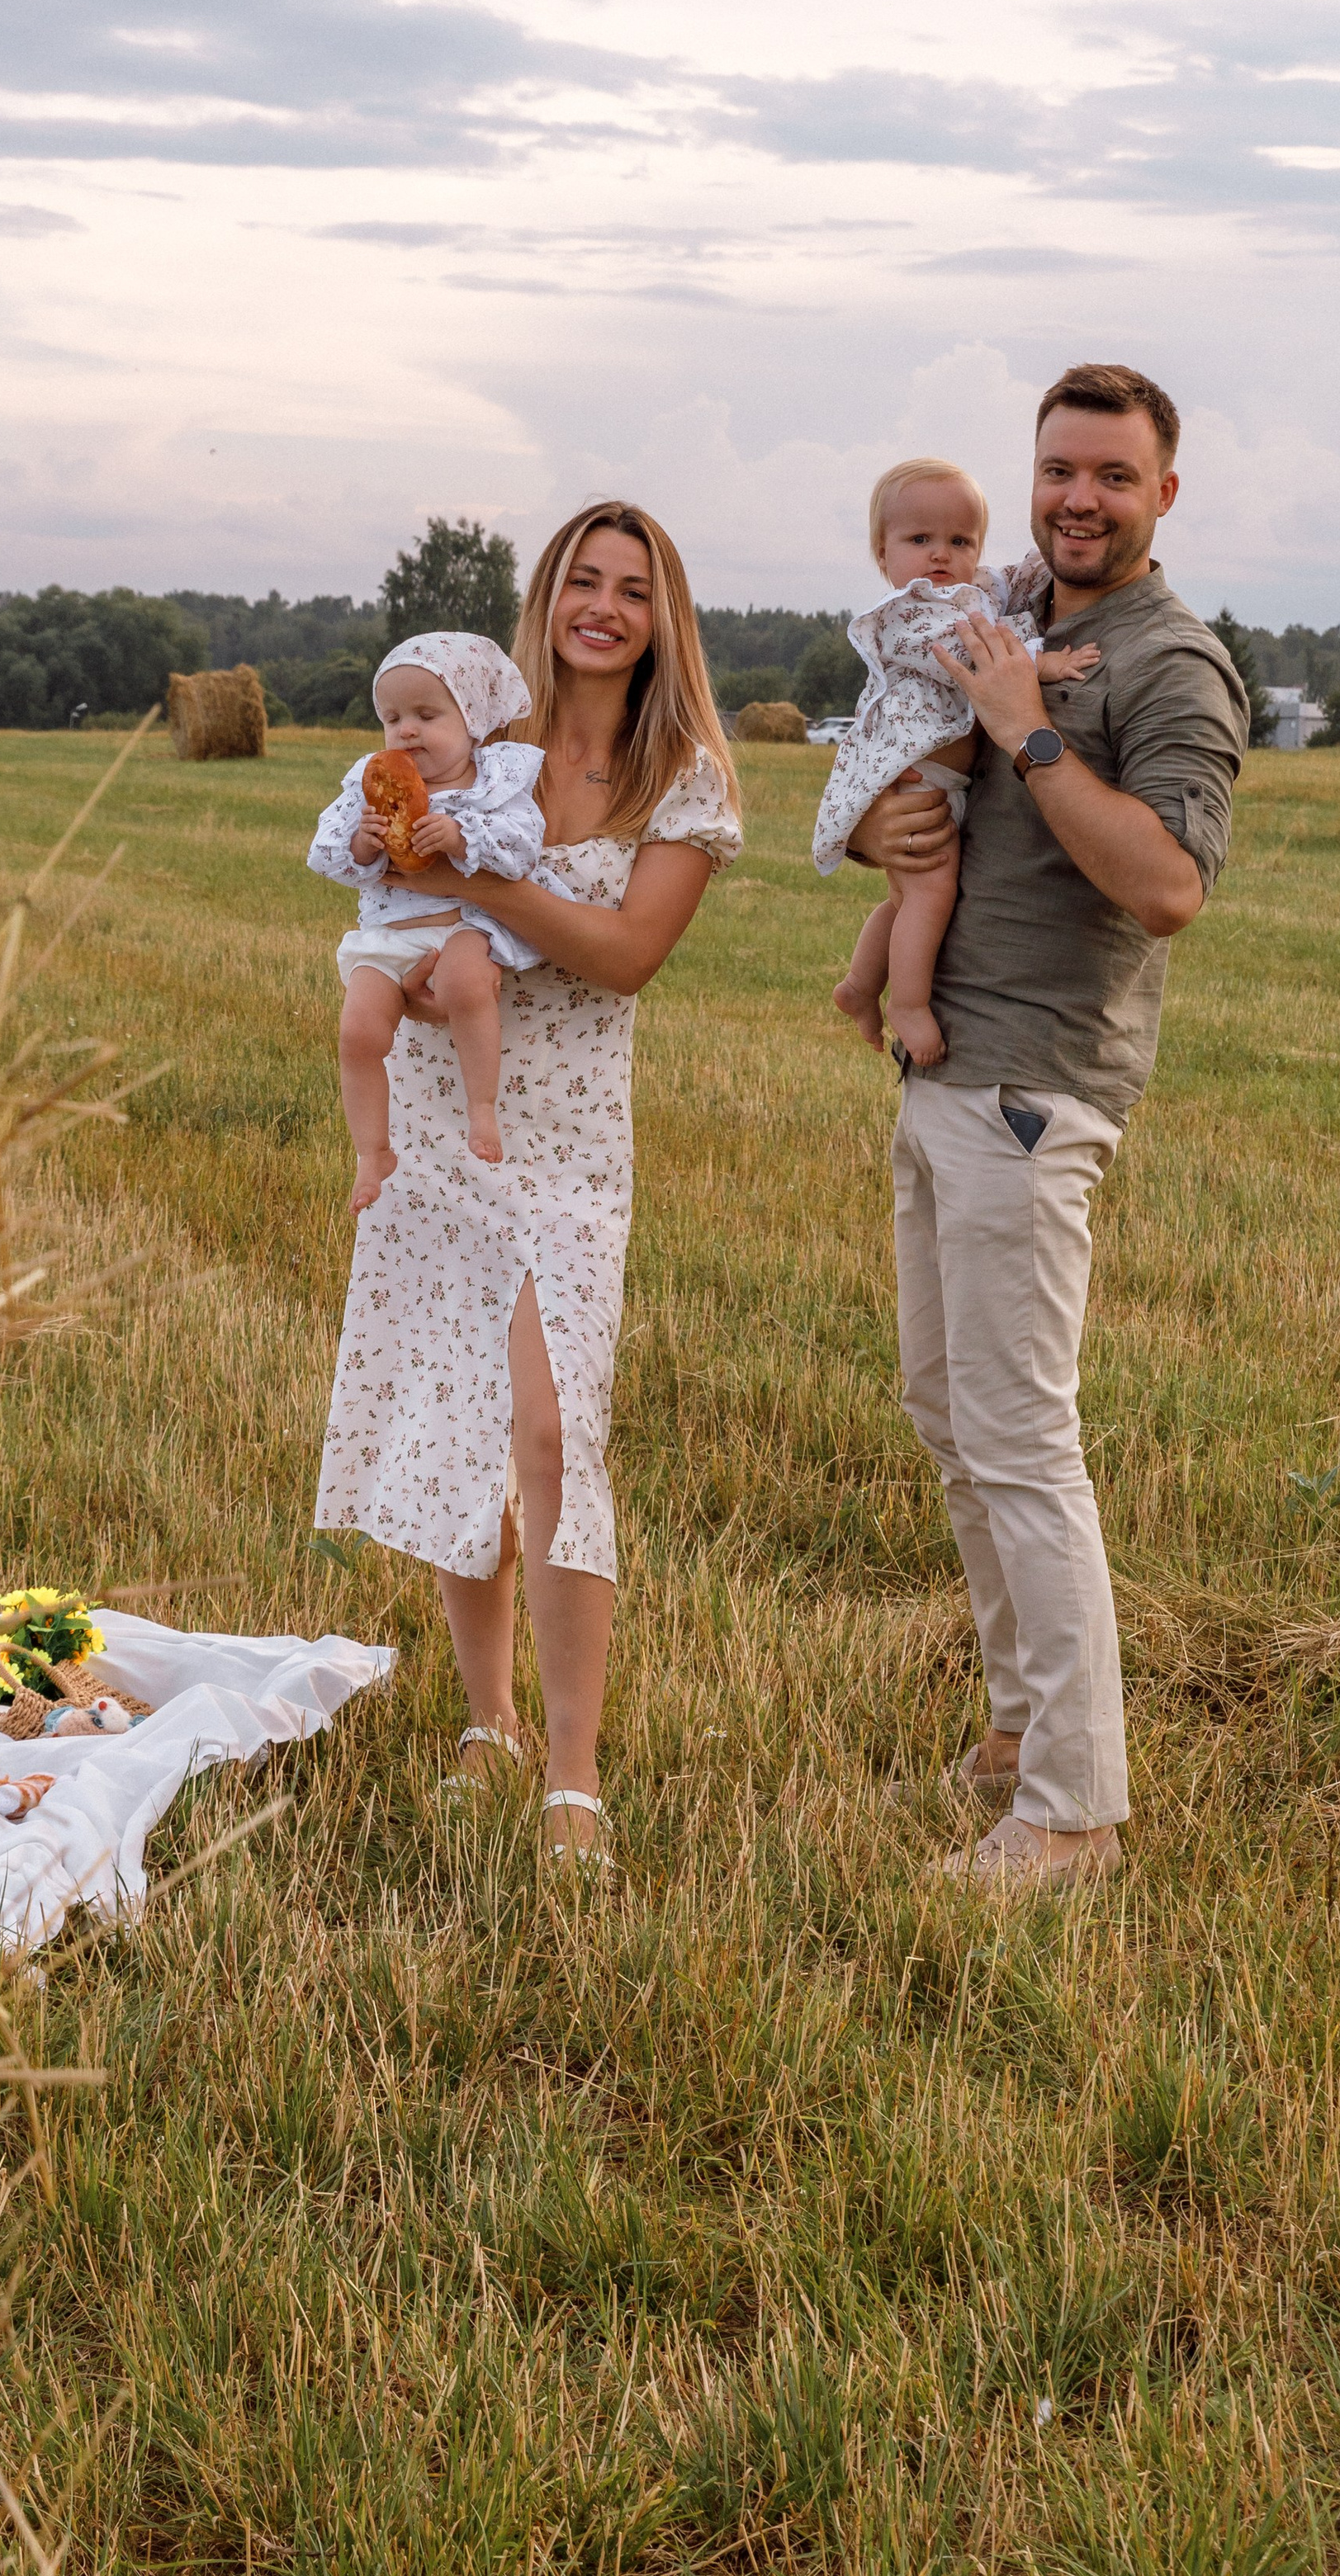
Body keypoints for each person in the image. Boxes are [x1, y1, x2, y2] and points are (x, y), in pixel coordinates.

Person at [843, 364, 1249, 1893]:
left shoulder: (1174, 666)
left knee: (1022, 1445)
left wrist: (1028, 730)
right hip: (948, 1077)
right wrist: (894, 824)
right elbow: (939, 797)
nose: (1079, 497)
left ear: (1162, 493)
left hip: (1035, 1088)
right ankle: (1021, 1732)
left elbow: (1166, 887)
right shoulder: (1017, 613)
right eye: (1059, 468)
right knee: (949, 1416)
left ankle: (1074, 1812)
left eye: (1113, 475)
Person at [312, 505, 741, 1871]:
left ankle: (573, 1776)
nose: (600, 607)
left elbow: (623, 957)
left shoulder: (689, 777)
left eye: (630, 588)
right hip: (449, 1123)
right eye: (578, 582)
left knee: (555, 1435)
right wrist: (419, 901)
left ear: (662, 614)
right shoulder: (481, 749)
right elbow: (394, 896)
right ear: (546, 601)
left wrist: (471, 871)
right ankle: (486, 1721)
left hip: (568, 1145)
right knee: (465, 1418)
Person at [817, 456, 1101, 1062]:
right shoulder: (909, 617)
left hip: (936, 779)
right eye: (919, 540)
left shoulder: (968, 596)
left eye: (959, 540)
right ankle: (909, 1006)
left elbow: (1012, 584)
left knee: (903, 899)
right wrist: (1043, 663)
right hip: (919, 781)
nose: (940, 555)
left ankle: (860, 986)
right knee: (930, 893)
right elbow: (969, 654)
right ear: (883, 553)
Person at [306, 636, 547, 1209]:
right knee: (358, 1032)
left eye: (426, 715)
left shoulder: (492, 783)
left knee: (467, 983)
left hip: (464, 923)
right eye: (392, 718)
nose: (405, 731)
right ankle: (372, 1151)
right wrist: (363, 845)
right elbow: (325, 852)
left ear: (473, 721)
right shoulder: (370, 785)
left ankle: (481, 1107)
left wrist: (463, 838)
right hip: (390, 936)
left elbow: (523, 848)